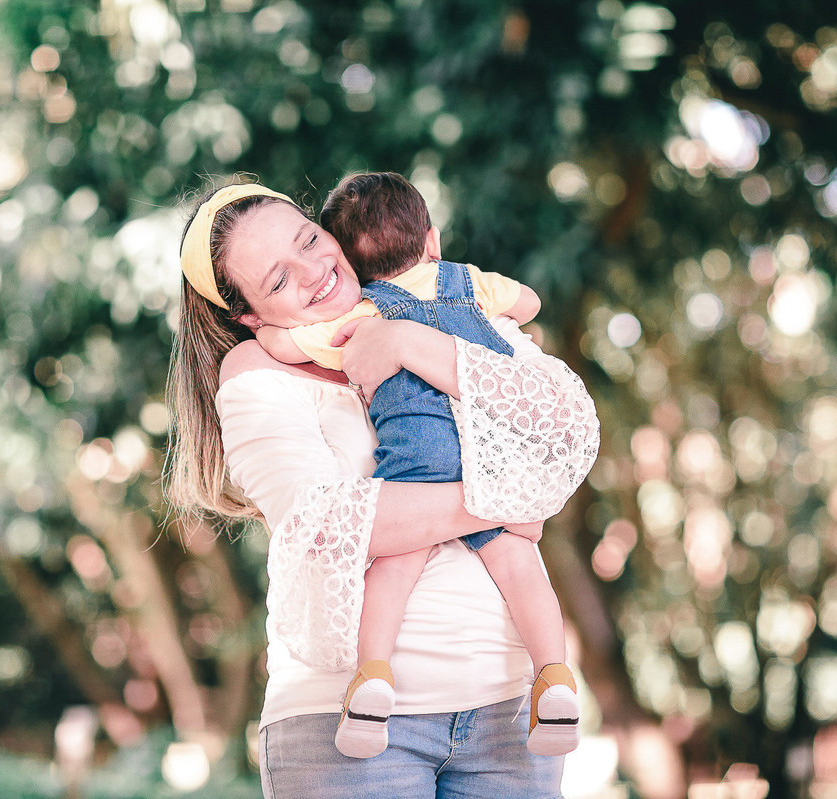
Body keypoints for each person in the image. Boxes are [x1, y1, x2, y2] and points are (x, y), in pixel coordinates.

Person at [166, 179, 598, 798]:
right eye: (279, 280)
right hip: (346, 730)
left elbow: (569, 427)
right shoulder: (257, 372)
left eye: (310, 240)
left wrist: (409, 342)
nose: (315, 270)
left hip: (508, 718)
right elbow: (328, 525)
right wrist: (508, 495)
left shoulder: (442, 311)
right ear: (250, 317)